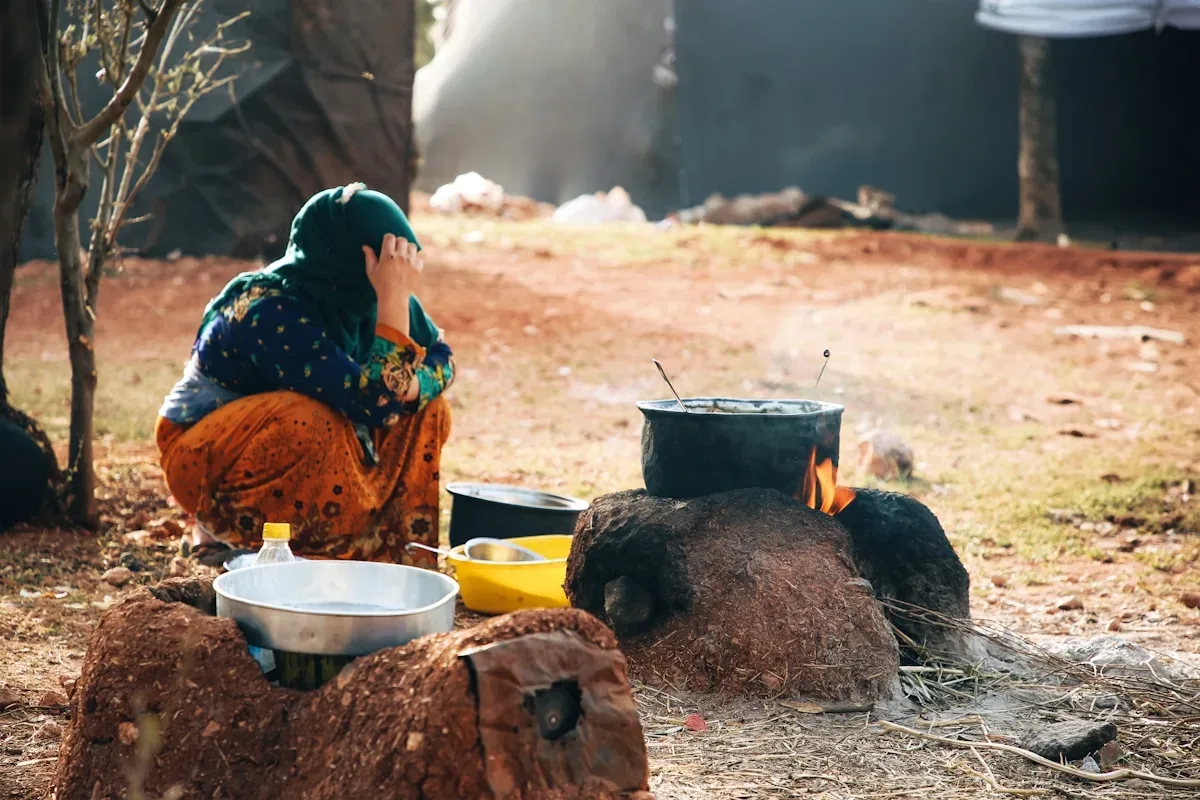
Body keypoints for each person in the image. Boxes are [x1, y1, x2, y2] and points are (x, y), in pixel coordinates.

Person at [155, 184, 454, 565]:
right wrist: (392, 302)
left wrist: (412, 385)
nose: (399, 278)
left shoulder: (364, 295)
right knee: (310, 419)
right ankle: (235, 536)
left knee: (427, 407)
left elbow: (442, 356)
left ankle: (387, 552)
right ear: (358, 261)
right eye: (391, 265)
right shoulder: (269, 311)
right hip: (204, 461)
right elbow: (375, 403)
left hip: (320, 444)